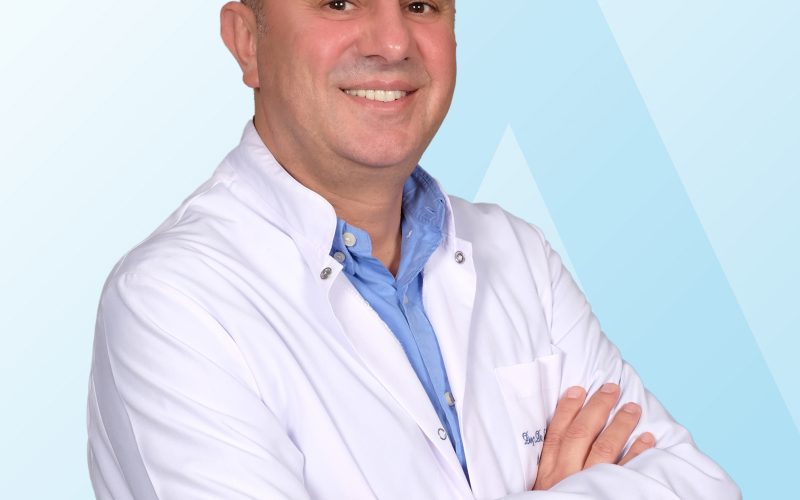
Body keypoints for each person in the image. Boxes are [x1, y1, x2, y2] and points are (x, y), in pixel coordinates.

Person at [86, 1, 740, 498]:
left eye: (422, 3)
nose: (394, 42)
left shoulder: (518, 255)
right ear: (247, 42)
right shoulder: (170, 305)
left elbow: (702, 484)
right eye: (339, 1)